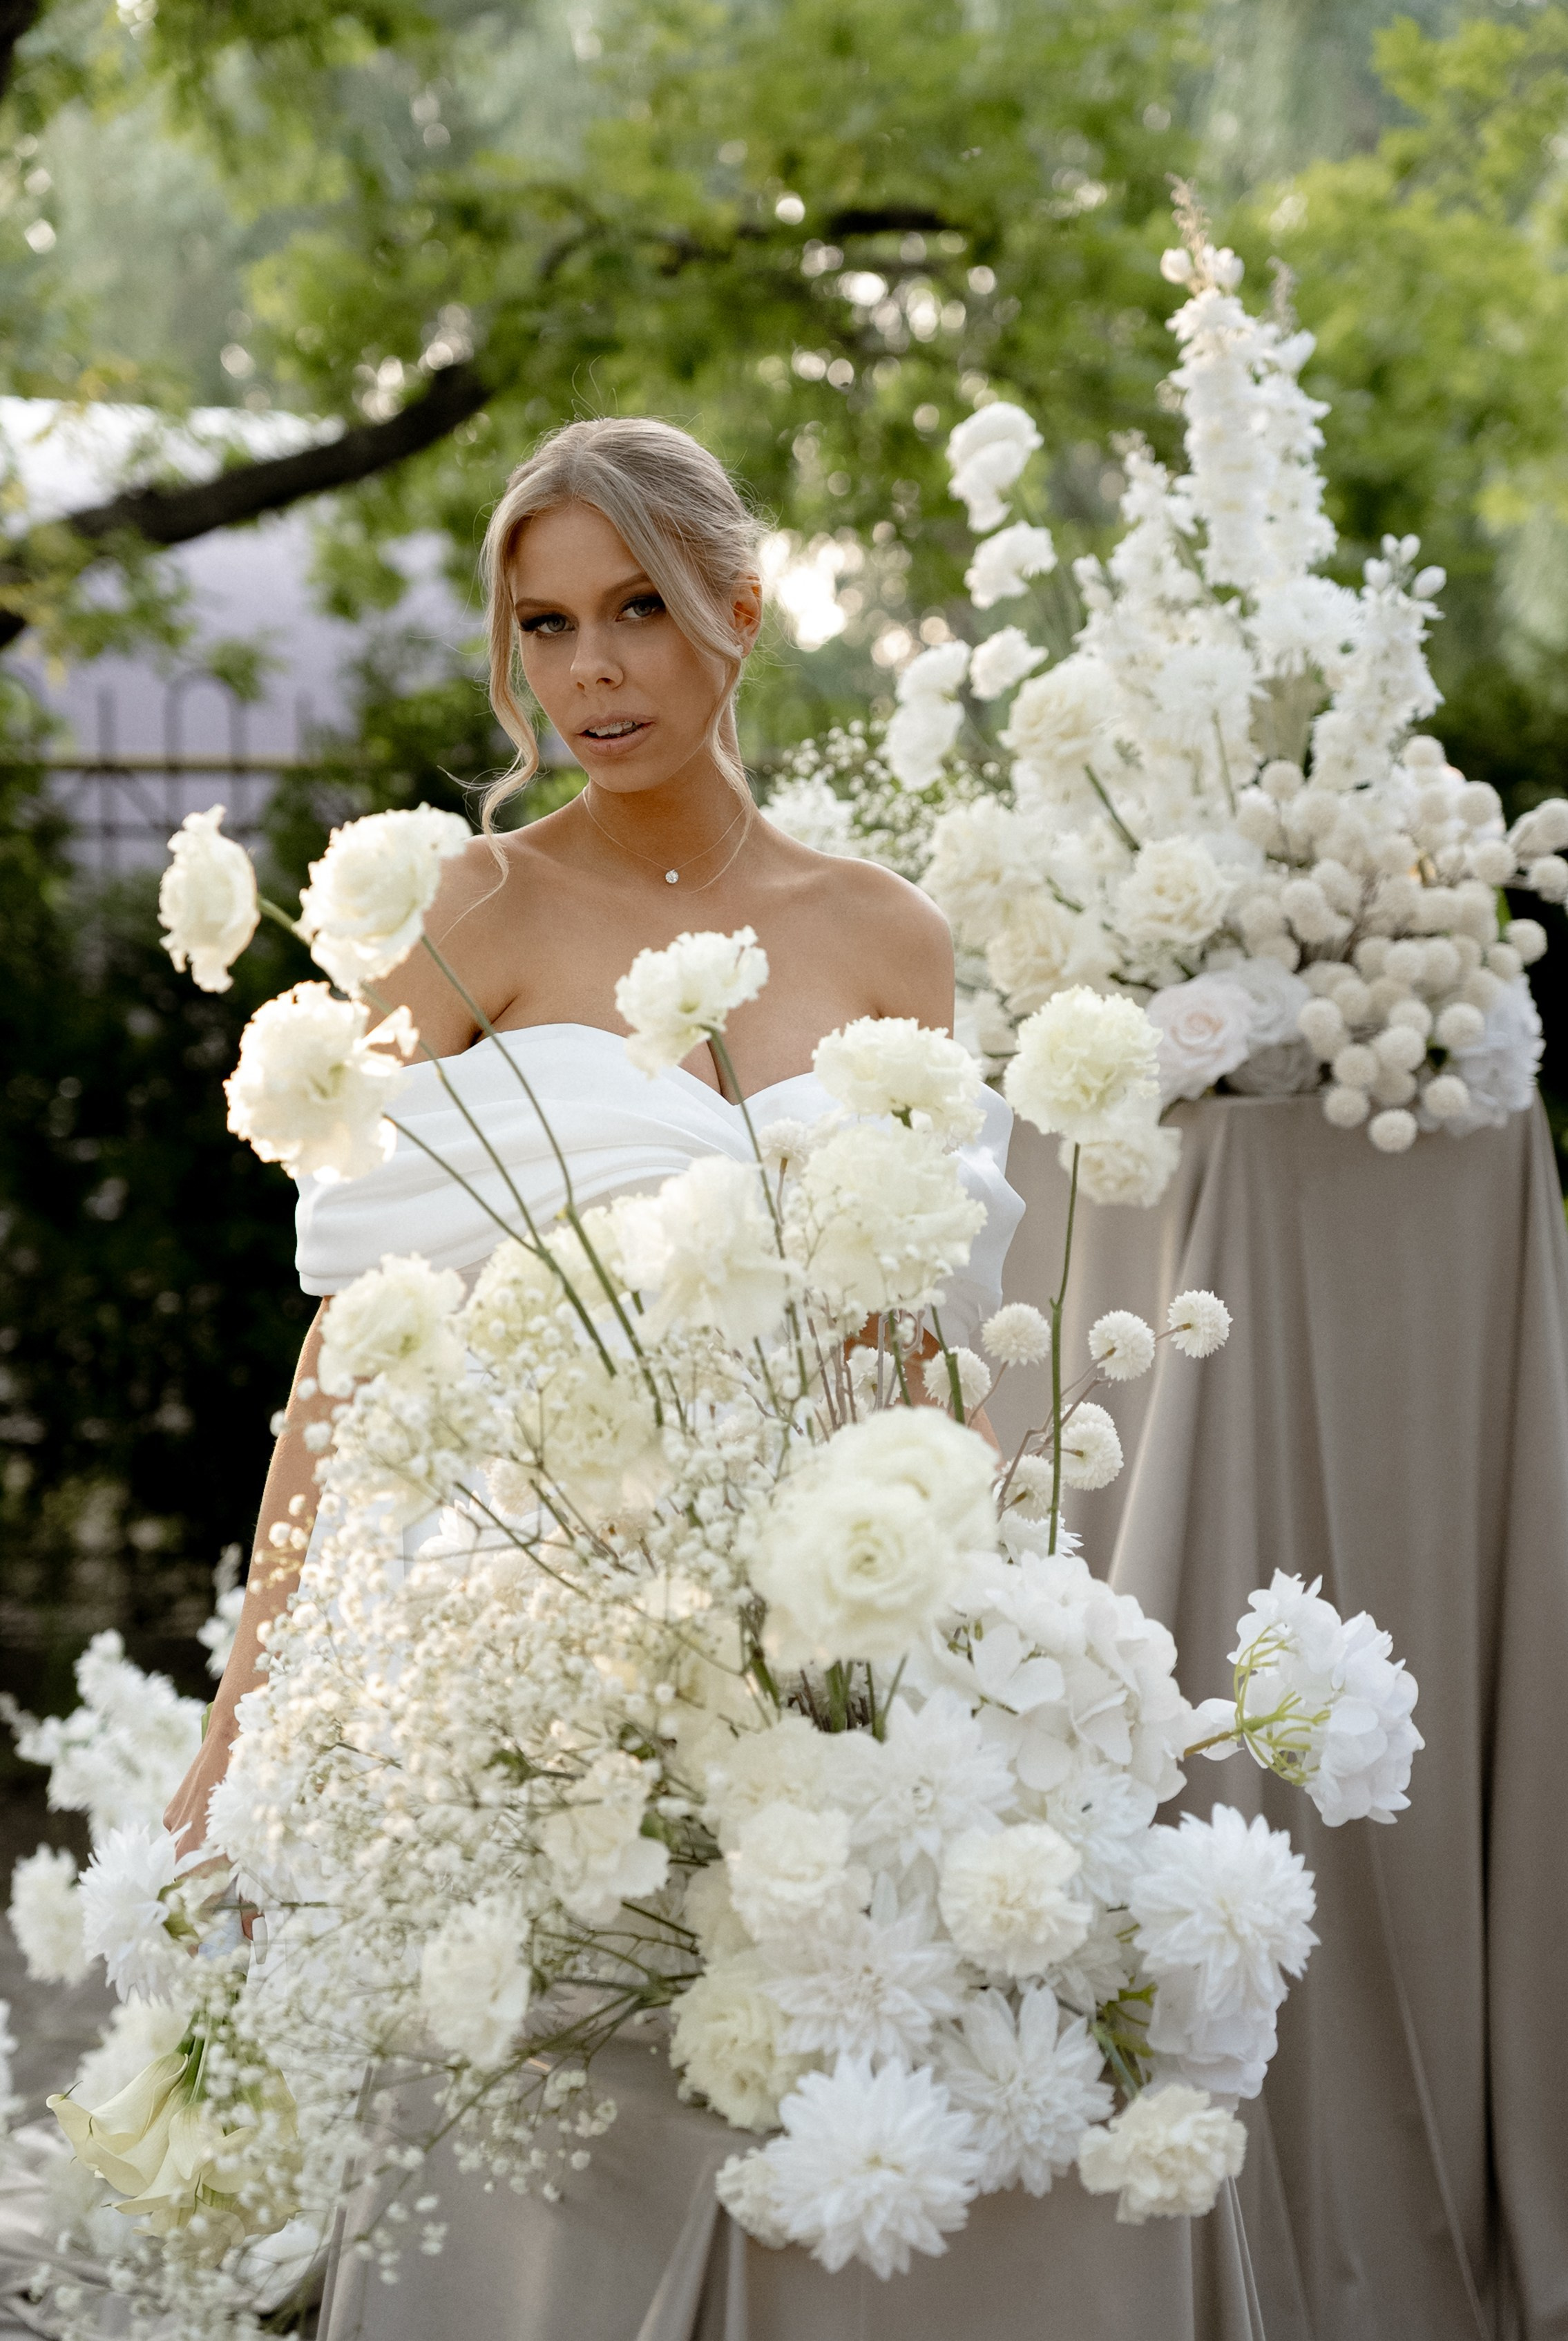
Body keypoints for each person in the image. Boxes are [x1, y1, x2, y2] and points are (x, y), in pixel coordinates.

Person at [162, 417, 1257, 2340]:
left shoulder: (885, 933)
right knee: (540, 2116)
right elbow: (353, 1340)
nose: (590, 671)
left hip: (830, 1591)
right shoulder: (481, 918)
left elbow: (930, 1354)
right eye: (548, 625)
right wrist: (248, 1709)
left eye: (640, 614)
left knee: (858, 2081)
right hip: (518, 1606)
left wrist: (990, 1630)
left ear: (740, 615)